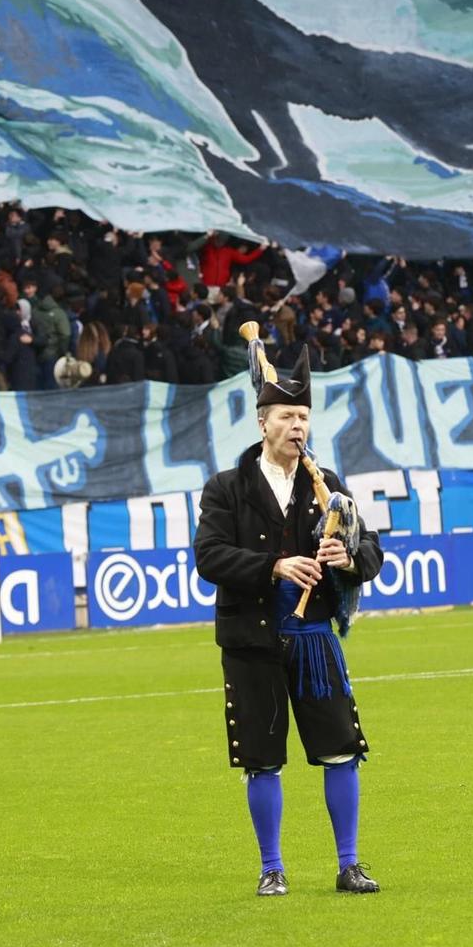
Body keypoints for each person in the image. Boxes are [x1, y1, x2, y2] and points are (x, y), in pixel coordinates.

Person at [195, 327, 382, 898]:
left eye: (303, 416)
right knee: (262, 760)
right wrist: (275, 566)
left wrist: (345, 556)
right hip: (253, 643)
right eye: (285, 416)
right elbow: (209, 556)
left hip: (313, 641)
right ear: (262, 423)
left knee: (340, 752)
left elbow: (371, 554)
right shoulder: (226, 488)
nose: (297, 426)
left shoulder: (329, 486)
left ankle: (348, 864)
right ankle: (271, 867)